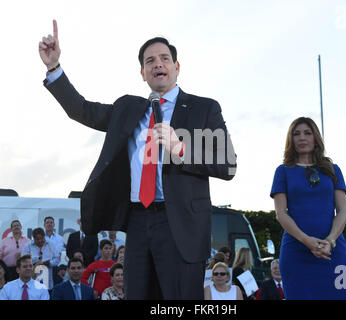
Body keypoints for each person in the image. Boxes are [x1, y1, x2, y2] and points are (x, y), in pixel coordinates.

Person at [39, 20, 236, 300]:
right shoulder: (128, 109)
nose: (158, 64)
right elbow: (81, 109)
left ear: (176, 68)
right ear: (142, 73)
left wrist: (180, 148)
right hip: (137, 223)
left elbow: (227, 163)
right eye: (150, 61)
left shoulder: (202, 108)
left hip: (179, 225)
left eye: (165, 58)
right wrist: (53, 68)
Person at [270, 117, 346, 300]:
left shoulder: (333, 169)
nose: (302, 138)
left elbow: (342, 211)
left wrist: (330, 241)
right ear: (290, 139)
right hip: (296, 252)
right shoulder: (283, 171)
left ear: (315, 137)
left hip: (333, 250)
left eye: (307, 133)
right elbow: (280, 214)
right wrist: (307, 241)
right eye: (296, 133)